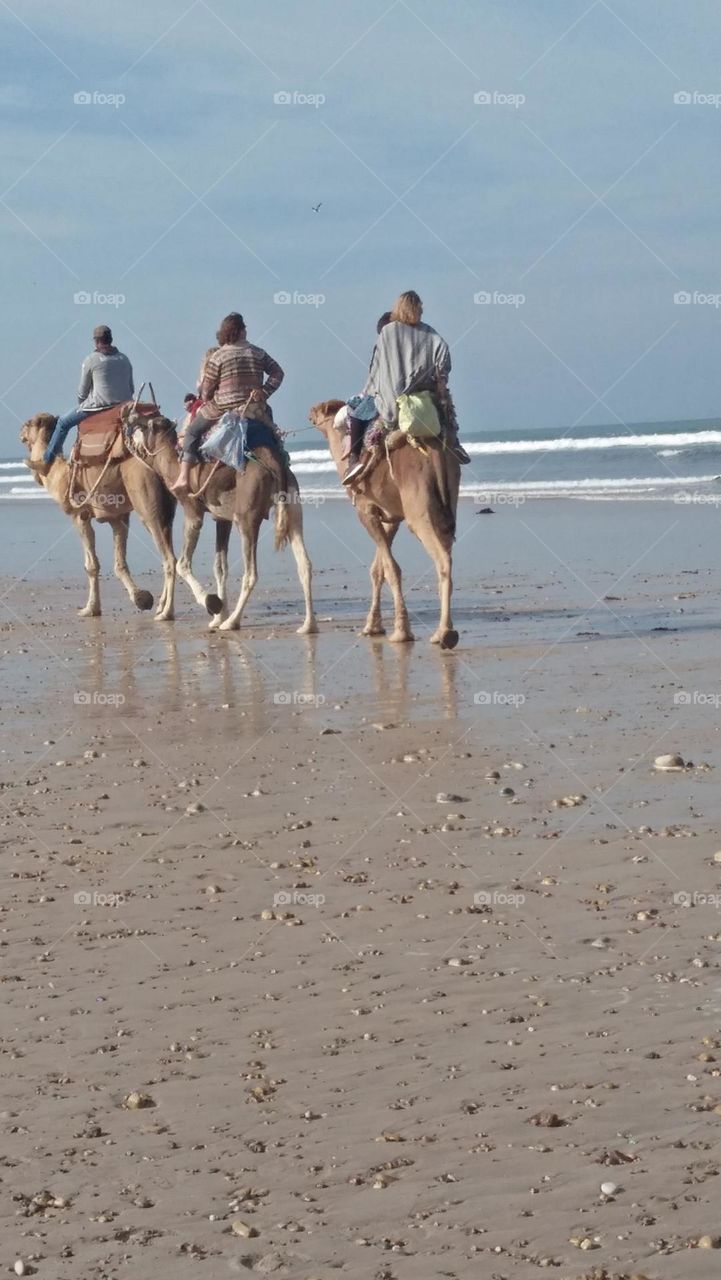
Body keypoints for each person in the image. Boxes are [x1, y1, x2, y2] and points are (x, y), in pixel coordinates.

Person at [343, 291, 469, 485]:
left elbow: (376, 370)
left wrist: (369, 391)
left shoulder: (388, 332)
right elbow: (444, 360)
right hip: (424, 396)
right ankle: (456, 445)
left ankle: (353, 461)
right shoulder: (430, 332)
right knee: (446, 412)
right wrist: (437, 379)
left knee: (357, 415)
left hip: (392, 401)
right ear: (418, 309)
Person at [171, 314, 284, 496]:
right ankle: (283, 470)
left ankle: (184, 477)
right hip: (255, 409)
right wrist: (264, 391)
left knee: (192, 431)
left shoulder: (218, 356)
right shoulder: (258, 352)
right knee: (275, 438)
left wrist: (209, 396)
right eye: (244, 328)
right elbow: (278, 373)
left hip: (222, 408)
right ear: (239, 331)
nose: (246, 331)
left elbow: (206, 390)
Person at [43, 325, 134, 463]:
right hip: (126, 404)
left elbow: (82, 392)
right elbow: (131, 388)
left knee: (62, 423)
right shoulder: (124, 358)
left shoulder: (91, 359)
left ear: (96, 341)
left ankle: (47, 460)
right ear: (111, 339)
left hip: (100, 405)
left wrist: (82, 404)